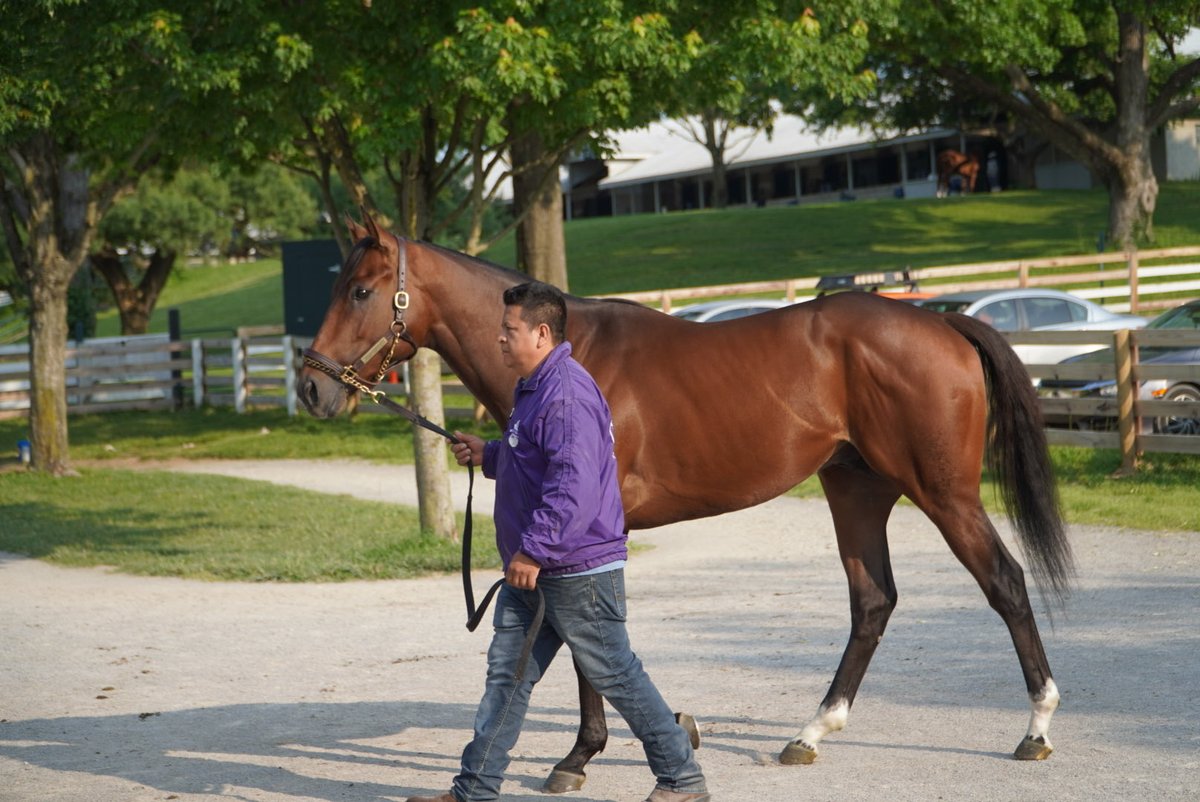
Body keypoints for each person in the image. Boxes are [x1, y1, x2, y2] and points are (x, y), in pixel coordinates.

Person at [409, 281, 709, 802]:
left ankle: (682, 780)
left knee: (617, 676)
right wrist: (491, 454)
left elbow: (574, 486)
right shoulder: (535, 387)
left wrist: (534, 551)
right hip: (539, 572)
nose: (500, 339)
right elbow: (534, 457)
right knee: (507, 680)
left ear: (541, 333)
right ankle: (473, 789)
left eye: (509, 330)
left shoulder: (566, 394)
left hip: (573, 572)